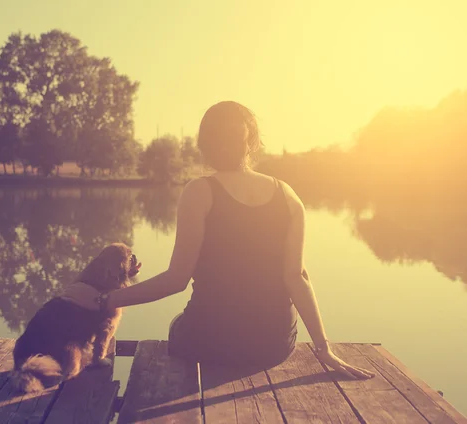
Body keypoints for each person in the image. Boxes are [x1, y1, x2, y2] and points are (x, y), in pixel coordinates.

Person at [62, 101, 375, 379]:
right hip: (274, 347)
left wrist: (104, 301)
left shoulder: (199, 192)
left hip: (209, 341)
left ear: (204, 145)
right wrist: (324, 349)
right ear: (252, 143)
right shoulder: (289, 196)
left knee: (176, 325)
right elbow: (297, 277)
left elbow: (176, 280)